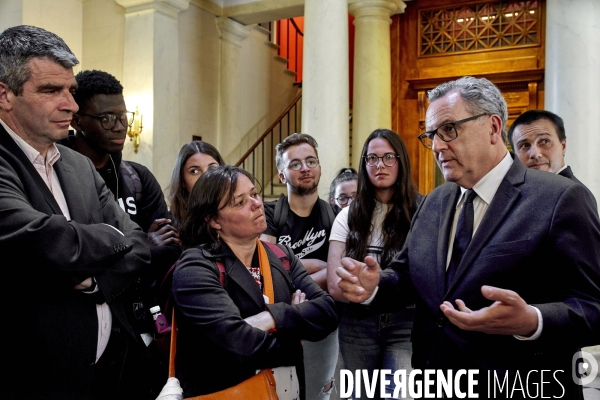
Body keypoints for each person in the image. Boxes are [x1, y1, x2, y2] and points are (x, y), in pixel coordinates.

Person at [336, 76, 600, 399]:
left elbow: (592, 305)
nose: (436, 146)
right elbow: (406, 276)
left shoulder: (560, 198)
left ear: (492, 127)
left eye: (449, 129)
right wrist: (373, 286)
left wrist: (531, 320)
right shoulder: (434, 202)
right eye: (431, 135)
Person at [0, 25, 154, 400]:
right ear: (5, 94)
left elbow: (140, 247)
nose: (70, 104)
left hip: (100, 376)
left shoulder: (77, 164)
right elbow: (43, 242)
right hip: (23, 379)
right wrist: (111, 238)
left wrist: (94, 279)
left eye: (70, 90)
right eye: (51, 91)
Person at [172, 165, 338, 399]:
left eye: (254, 194)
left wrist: (269, 317)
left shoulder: (281, 255)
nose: (257, 203)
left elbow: (328, 311)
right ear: (214, 220)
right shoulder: (196, 266)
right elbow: (237, 344)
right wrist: (296, 332)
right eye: (240, 202)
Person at [327, 129, 422, 399]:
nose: (380, 165)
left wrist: (371, 287)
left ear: (401, 161)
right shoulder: (348, 215)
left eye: (388, 157)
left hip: (406, 323)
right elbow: (335, 285)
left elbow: (425, 276)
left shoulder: (423, 210)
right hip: (357, 324)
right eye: (372, 158)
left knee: (400, 395)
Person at [261, 132, 340, 399]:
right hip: (280, 320)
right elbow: (266, 267)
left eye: (310, 161)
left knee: (318, 393)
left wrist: (293, 270)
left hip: (321, 322)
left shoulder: (335, 216)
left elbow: (339, 272)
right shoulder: (269, 214)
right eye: (295, 164)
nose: (304, 168)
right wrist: (320, 265)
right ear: (282, 175)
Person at [507, 109, 597, 209]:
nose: (535, 154)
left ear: (563, 146)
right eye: (525, 145)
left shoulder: (574, 194)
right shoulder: (517, 194)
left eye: (545, 141)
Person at [167, 140, 225, 228]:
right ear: (182, 180)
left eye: (212, 168)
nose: (206, 177)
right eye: (194, 171)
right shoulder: (169, 225)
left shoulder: (237, 212)